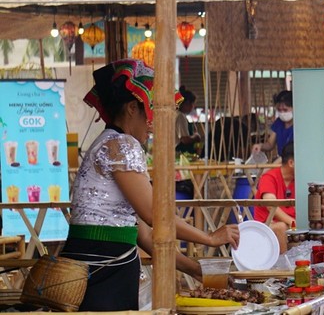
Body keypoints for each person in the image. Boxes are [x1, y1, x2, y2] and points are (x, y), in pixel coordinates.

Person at [61, 59, 240, 311]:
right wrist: (209, 237)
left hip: (94, 262)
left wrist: (196, 269)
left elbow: (144, 235)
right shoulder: (123, 145)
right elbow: (154, 215)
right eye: (151, 111)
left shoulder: (107, 141)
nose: (154, 124)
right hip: (106, 263)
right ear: (133, 108)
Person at [254, 142, 296, 253]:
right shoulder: (269, 177)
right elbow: (270, 205)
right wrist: (293, 222)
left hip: (293, 224)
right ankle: (283, 266)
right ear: (291, 163)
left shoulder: (299, 180)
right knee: (280, 227)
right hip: (268, 224)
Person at [254, 91, 293, 163]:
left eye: (285, 110)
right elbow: (270, 144)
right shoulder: (278, 123)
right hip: (281, 161)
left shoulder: (300, 125)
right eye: (279, 110)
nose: (282, 113)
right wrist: (260, 146)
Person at [175, 85, 202, 155]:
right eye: (193, 104)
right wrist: (196, 137)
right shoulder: (180, 116)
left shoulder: (174, 114)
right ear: (187, 103)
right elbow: (184, 139)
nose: (193, 107)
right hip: (180, 152)